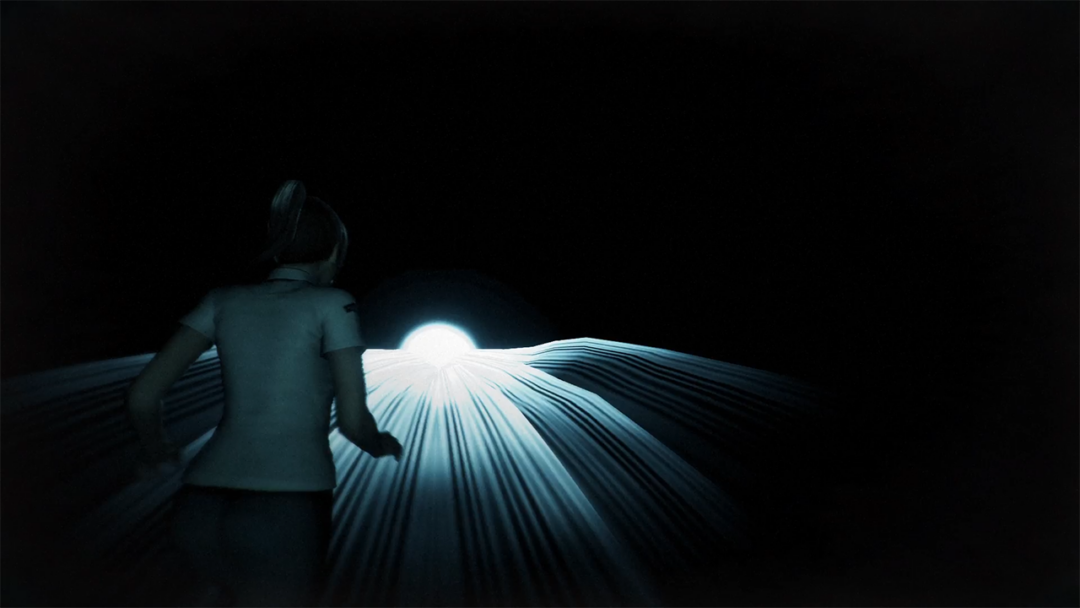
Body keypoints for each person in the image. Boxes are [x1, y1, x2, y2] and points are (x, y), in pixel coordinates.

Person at [124, 180, 404, 608]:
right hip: (285, 509)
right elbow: (352, 422)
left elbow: (143, 395)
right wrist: (379, 443)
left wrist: (155, 447)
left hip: (198, 508)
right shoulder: (334, 304)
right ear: (333, 252)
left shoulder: (221, 301)